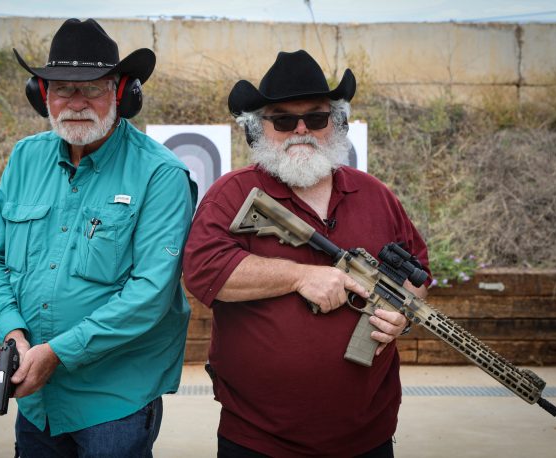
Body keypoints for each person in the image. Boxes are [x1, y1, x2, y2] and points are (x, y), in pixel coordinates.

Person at [182, 50, 431, 457]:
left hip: (367, 434)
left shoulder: (376, 195)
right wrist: (300, 276)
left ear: (337, 124)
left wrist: (401, 318)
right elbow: (204, 271)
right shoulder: (231, 195)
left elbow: (418, 277)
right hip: (258, 438)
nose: (301, 130)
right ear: (256, 130)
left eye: (316, 118)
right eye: (283, 120)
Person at [0, 18, 196, 457]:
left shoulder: (160, 174)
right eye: (61, 88)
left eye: (92, 87)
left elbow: (150, 294)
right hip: (39, 401)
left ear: (121, 92)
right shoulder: (24, 158)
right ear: (42, 95)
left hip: (114, 402)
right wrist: (13, 334)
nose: (76, 103)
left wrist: (56, 353)